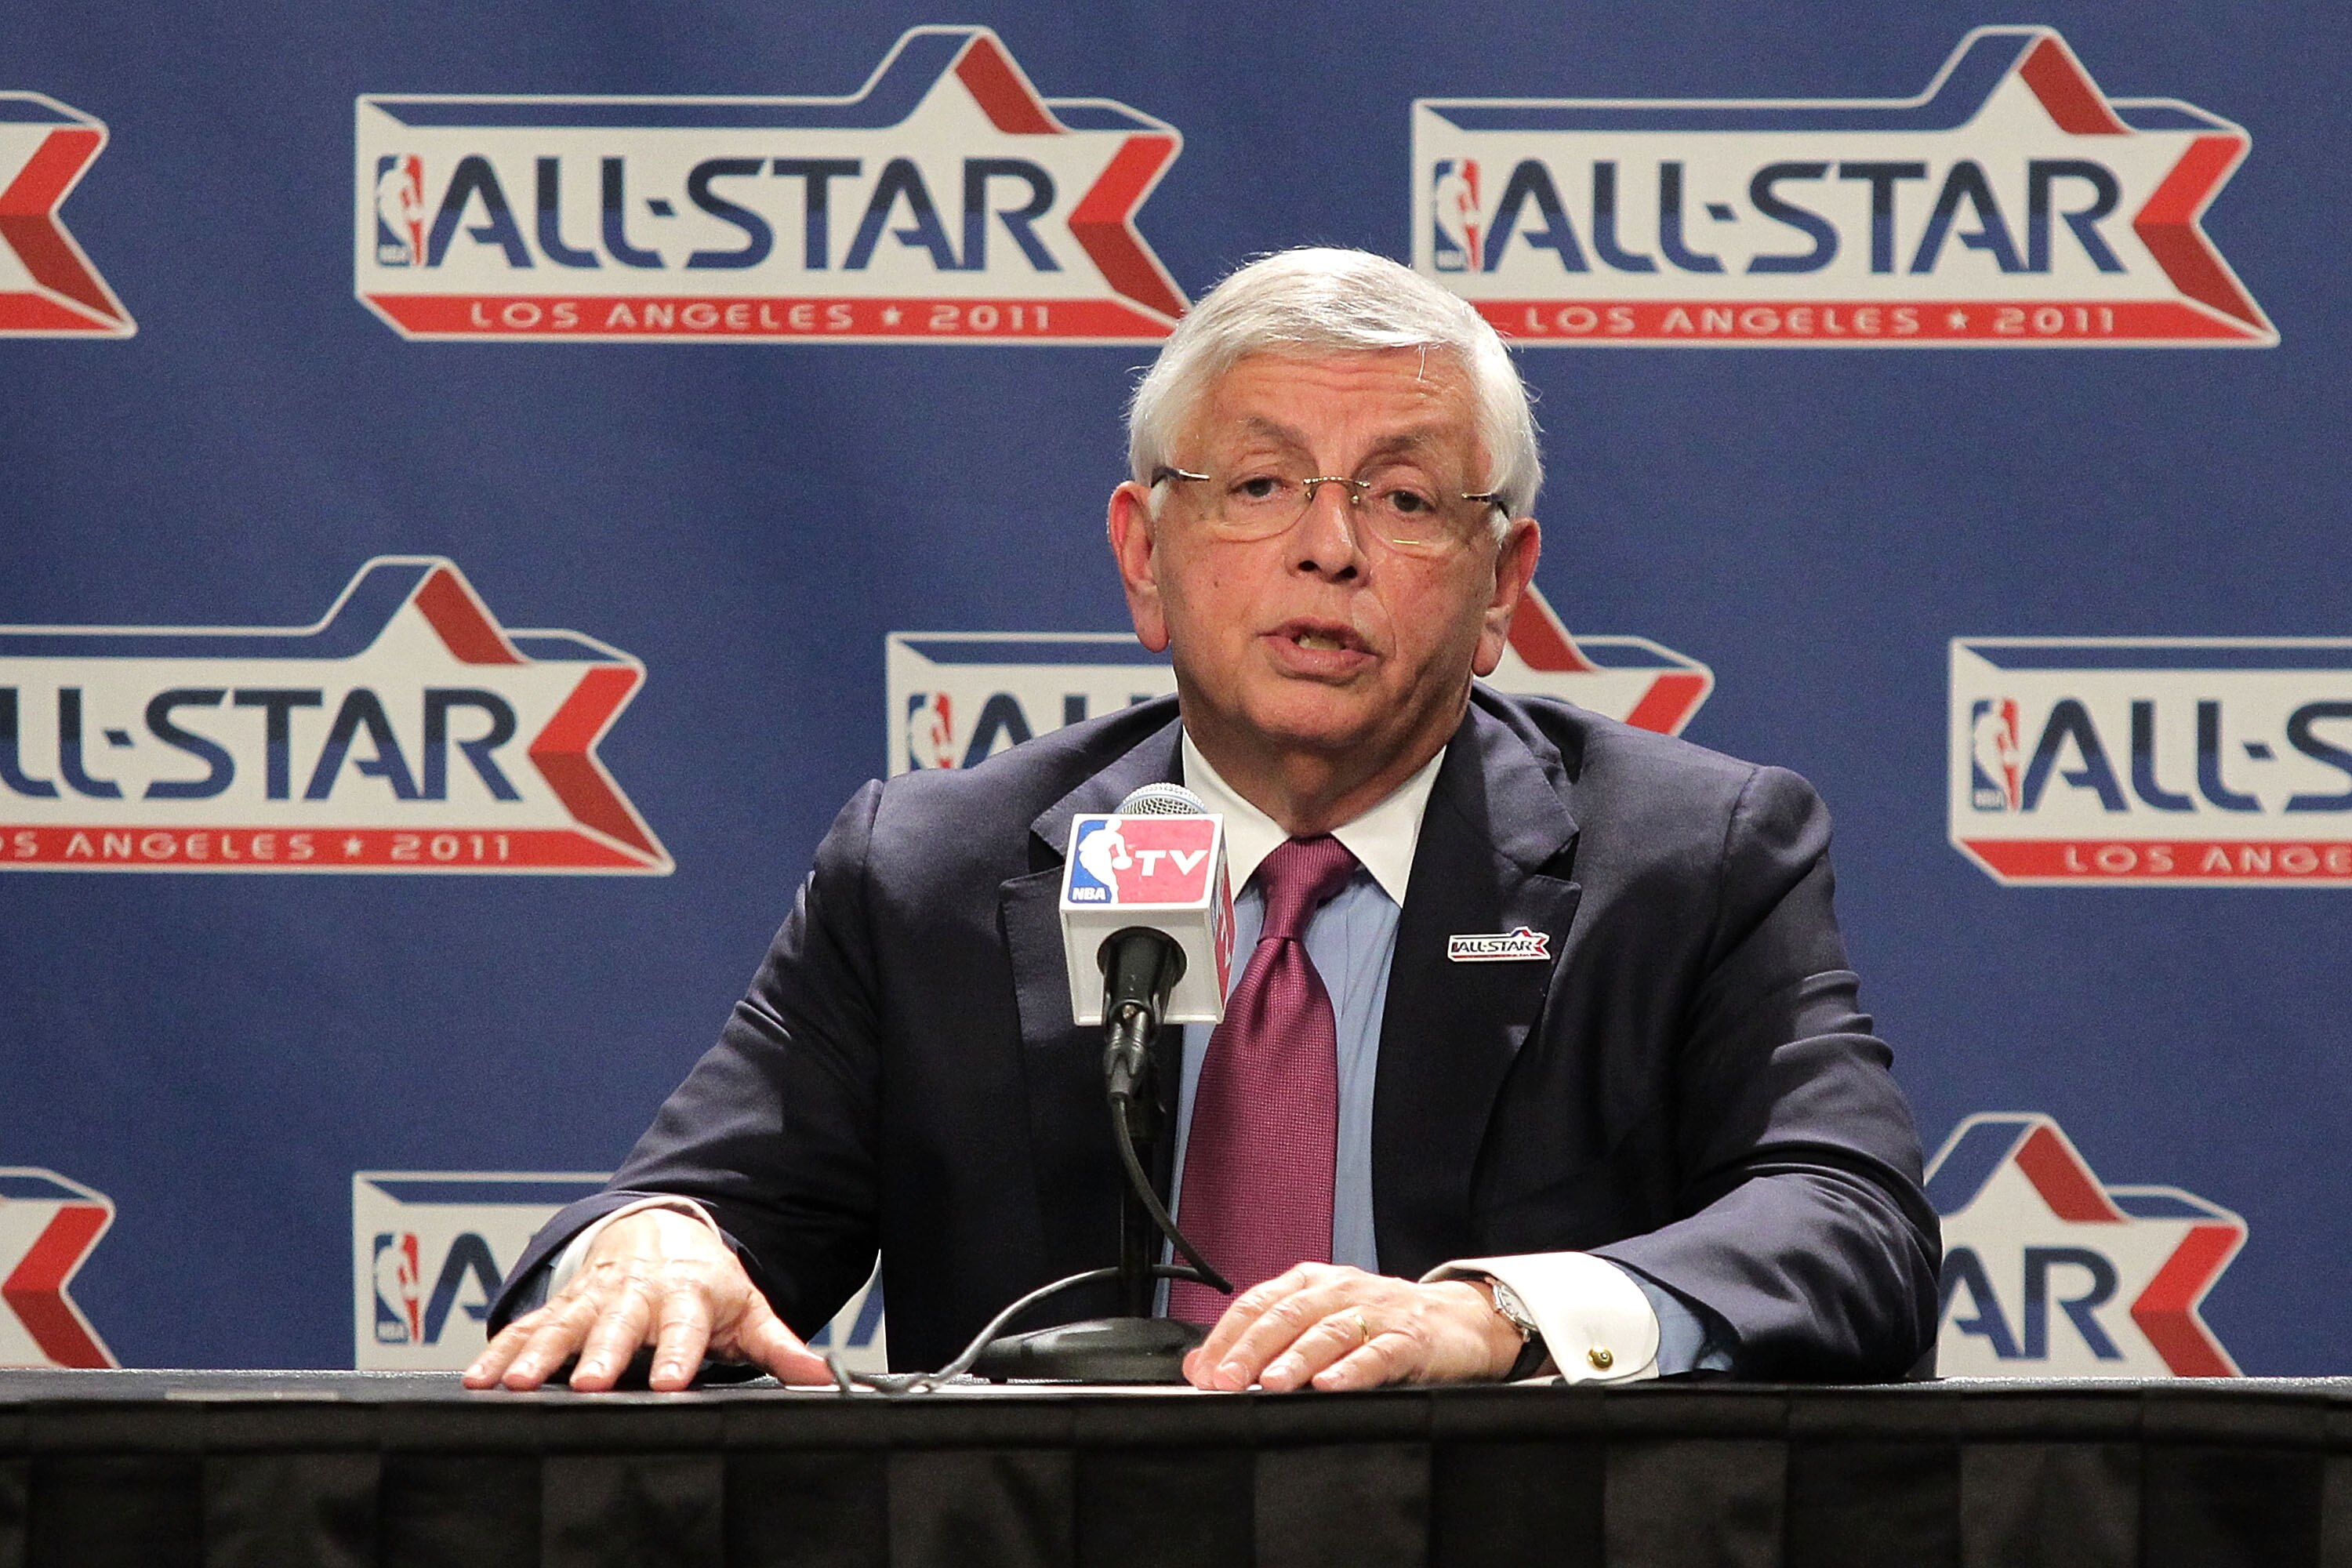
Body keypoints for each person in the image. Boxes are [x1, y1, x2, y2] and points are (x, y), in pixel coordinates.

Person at [468, 247, 1940, 1396]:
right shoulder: (933, 872)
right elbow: (694, 1211)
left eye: (1408, 499)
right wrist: (654, 1248)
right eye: (1257, 486)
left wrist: (1495, 1315)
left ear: (1503, 588)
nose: (1328, 547)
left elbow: (1850, 1228)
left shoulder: (1688, 860)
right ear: (1145, 559)